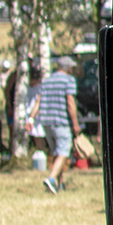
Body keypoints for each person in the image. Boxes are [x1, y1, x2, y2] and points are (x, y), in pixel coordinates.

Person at [32, 55, 81, 194]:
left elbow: (38, 101)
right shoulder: (69, 80)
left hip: (46, 121)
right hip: (61, 121)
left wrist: (31, 118)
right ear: (69, 68)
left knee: (57, 153)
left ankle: (59, 184)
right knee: (64, 152)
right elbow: (70, 102)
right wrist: (75, 124)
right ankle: (52, 178)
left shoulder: (47, 81)